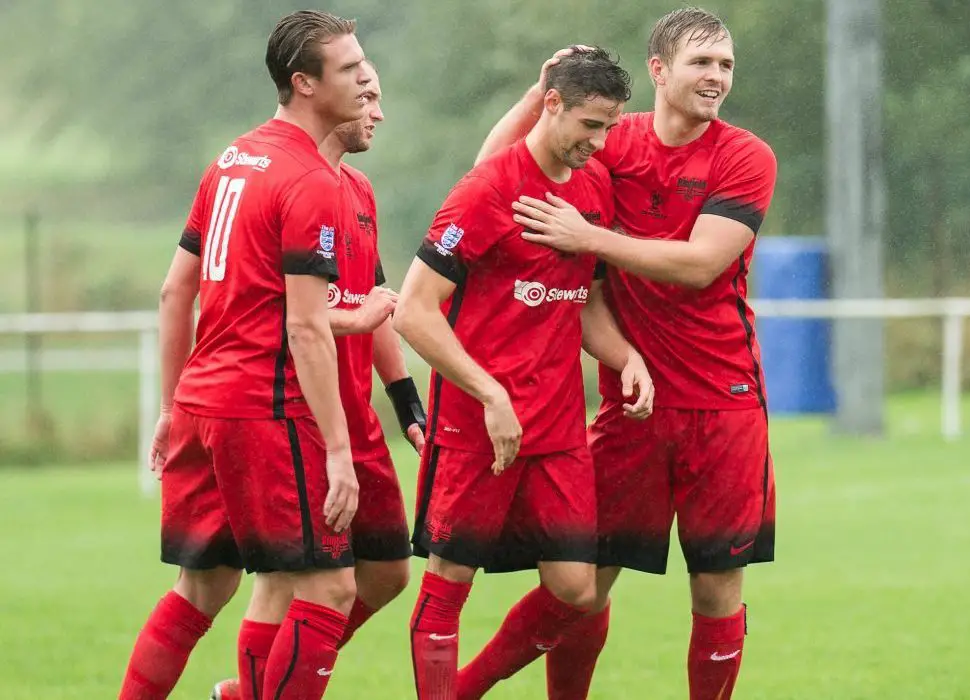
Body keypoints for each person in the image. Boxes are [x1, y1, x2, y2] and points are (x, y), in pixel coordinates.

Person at [474, 8, 778, 700]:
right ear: (659, 71)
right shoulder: (611, 142)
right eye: (703, 63)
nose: (717, 77)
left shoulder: (744, 155)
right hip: (630, 411)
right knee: (580, 586)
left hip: (723, 404)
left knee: (715, 590)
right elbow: (495, 172)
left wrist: (589, 238)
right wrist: (538, 89)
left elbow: (701, 264)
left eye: (726, 65)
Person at [118, 11, 372, 700]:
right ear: (305, 84)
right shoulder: (311, 179)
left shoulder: (232, 159)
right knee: (329, 585)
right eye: (349, 69)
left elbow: (176, 291)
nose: (365, 77)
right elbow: (308, 329)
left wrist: (172, 407)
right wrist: (340, 453)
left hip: (204, 401)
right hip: (265, 410)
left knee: (203, 586)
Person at [393, 48, 654, 700]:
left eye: (610, 129)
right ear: (552, 103)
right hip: (478, 424)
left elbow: (586, 306)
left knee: (576, 589)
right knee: (449, 582)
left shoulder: (593, 191)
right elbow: (413, 313)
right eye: (590, 125)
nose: (598, 143)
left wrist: (628, 358)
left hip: (559, 426)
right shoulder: (486, 191)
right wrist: (489, 392)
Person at [210, 63, 428, 700]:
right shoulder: (292, 182)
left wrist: (404, 398)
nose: (378, 114)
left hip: (356, 412)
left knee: (386, 572)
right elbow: (293, 317)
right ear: (320, 93)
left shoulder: (357, 190)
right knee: (301, 582)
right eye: (367, 98)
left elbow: (373, 301)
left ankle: (267, 686)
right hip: (293, 411)